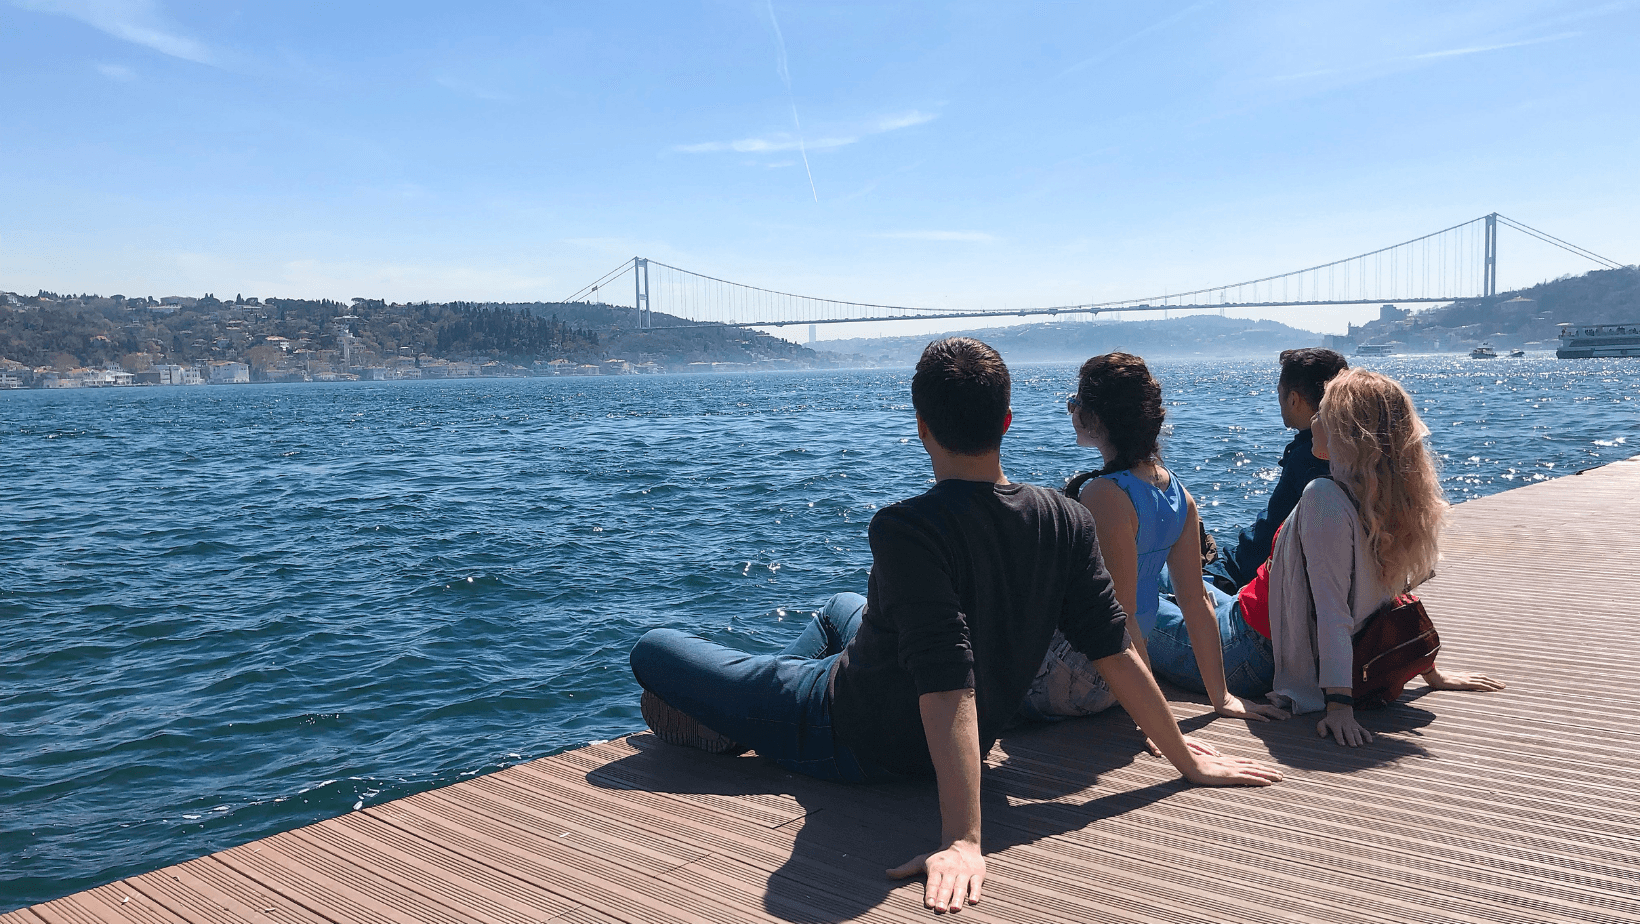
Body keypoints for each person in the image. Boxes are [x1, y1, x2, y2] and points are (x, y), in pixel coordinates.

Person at [629, 338, 1284, 914]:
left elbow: (949, 680)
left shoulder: (906, 526)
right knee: (838, 607)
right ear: (1005, 420)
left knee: (653, 650)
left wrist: (963, 839)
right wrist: (1185, 762)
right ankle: (758, 699)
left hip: (850, 731)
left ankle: (748, 715)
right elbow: (1113, 646)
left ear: (921, 428)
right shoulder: (1065, 518)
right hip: (912, 701)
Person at [1023, 353, 1289, 722]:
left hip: (1090, 676)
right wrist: (1222, 697)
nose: (1071, 411)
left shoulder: (1103, 494)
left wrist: (1154, 720)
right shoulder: (1176, 491)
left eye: (1075, 403)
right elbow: (1197, 603)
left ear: (1094, 418)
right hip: (1120, 678)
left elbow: (1122, 618)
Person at [1265, 367, 1505, 744]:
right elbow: (1387, 593)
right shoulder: (1390, 499)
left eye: (1323, 413)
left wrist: (1339, 707)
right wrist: (1427, 668)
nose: (1313, 420)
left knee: (1161, 602)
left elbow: (1334, 613)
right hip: (1272, 624)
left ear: (1346, 433)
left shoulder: (1324, 498)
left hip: (1254, 644)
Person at [1204, 348, 1348, 595]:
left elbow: (1267, 544)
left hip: (1253, 583)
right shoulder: (1353, 452)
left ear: (1293, 399)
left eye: (1279, 394)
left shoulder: (1309, 458)